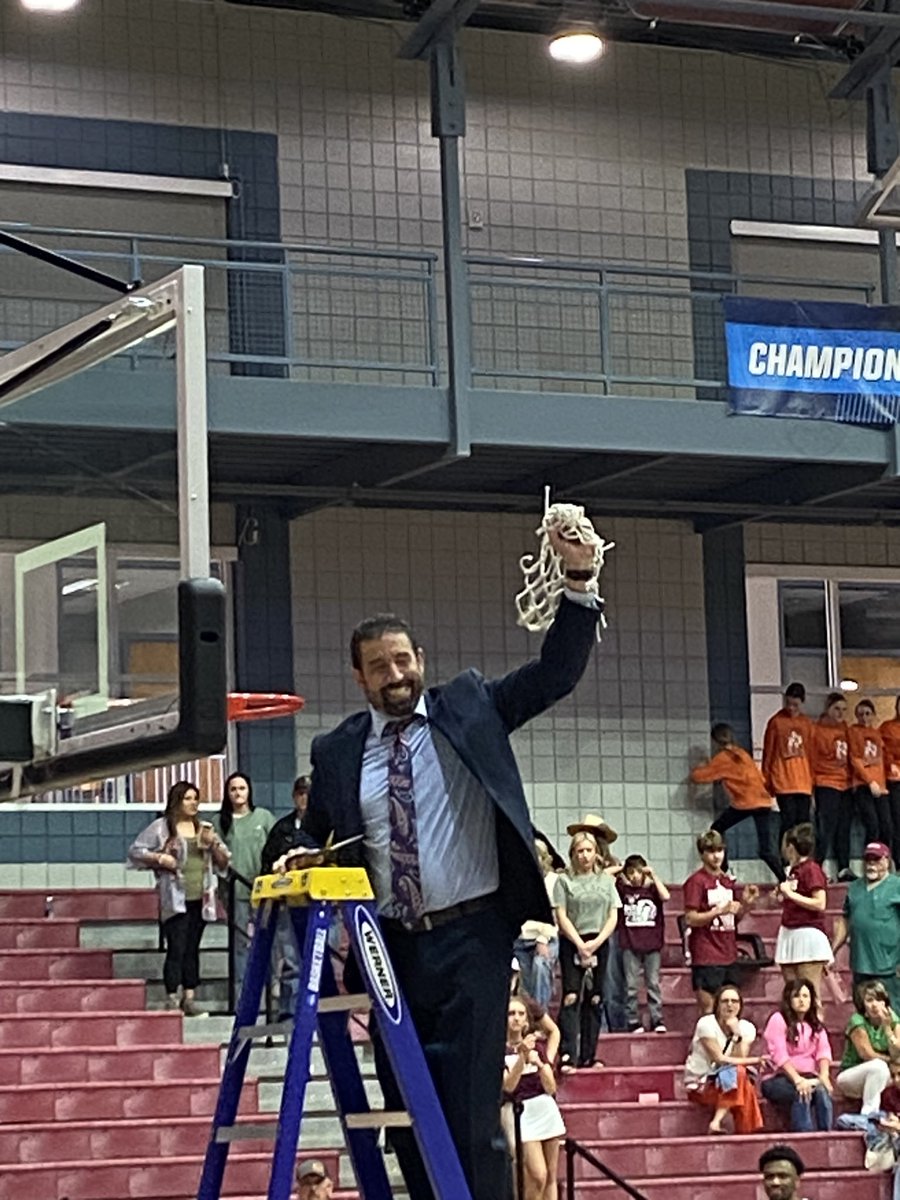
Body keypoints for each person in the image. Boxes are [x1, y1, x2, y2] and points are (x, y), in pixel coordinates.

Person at [279, 525, 601, 1200]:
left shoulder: (471, 703)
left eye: (403, 660)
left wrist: (579, 582)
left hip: (475, 935)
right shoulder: (336, 751)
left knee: (474, 1113)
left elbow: (555, 675)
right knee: (405, 1107)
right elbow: (305, 838)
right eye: (380, 666)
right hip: (389, 946)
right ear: (358, 676)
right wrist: (297, 857)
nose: (396, 675)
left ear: (420, 658)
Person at [128, 780, 231, 1015]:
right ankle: (172, 997)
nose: (193, 803)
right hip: (175, 897)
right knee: (177, 946)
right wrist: (160, 858)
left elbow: (224, 860)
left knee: (193, 947)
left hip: (200, 896)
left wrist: (213, 845)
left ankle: (190, 996)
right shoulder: (162, 827)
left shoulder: (204, 827)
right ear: (177, 801)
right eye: (188, 798)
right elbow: (136, 851)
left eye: (196, 798)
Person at [553, 821, 621, 1072]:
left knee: (595, 998)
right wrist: (581, 944)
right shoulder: (564, 881)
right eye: (579, 851)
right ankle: (568, 1054)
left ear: (597, 854)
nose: (584, 856)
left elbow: (613, 915)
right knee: (571, 997)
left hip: (599, 940)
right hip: (573, 940)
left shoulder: (606, 881)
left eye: (588, 851)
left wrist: (596, 943)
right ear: (573, 854)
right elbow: (561, 914)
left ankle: (589, 1055)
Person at [690, 724, 784, 882]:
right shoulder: (743, 754)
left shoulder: (723, 758)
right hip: (763, 801)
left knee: (717, 829)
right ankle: (785, 880)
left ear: (715, 741)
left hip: (745, 803)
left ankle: (724, 871)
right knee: (766, 849)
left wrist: (699, 766)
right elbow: (760, 778)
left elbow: (700, 777)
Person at [683, 829, 760, 1014]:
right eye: (710, 851)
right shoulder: (696, 881)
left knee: (730, 1011)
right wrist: (717, 911)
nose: (716, 856)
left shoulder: (727, 881)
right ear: (702, 854)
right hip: (706, 954)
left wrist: (746, 904)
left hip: (729, 953)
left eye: (719, 851)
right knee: (709, 1011)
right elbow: (690, 918)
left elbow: (733, 918)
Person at [213, 771, 275, 993]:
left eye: (241, 788)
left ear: (249, 791)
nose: (237, 793)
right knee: (239, 943)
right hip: (235, 891)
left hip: (263, 890)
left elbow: (276, 849)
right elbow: (217, 859)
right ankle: (242, 994)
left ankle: (270, 989)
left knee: (267, 939)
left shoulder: (264, 818)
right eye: (233, 789)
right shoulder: (219, 822)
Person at [502, 996, 565, 1200]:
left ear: (527, 1021)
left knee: (550, 1176)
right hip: (521, 1112)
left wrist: (539, 1063)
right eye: (511, 1014)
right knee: (538, 1174)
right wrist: (521, 1058)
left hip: (545, 1107)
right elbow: (509, 1086)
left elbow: (551, 1087)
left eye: (521, 1014)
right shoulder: (498, 1050)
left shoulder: (537, 1047)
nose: (517, 1019)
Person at [682, 983, 765, 1135]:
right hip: (702, 1083)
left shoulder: (746, 1028)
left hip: (729, 1083)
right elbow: (719, 1059)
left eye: (734, 1001)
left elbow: (739, 1057)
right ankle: (745, 1133)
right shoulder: (705, 1024)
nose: (730, 1005)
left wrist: (737, 1035)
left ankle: (722, 1125)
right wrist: (755, 1061)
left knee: (742, 1082)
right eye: (725, 1001)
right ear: (717, 1004)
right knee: (741, 1078)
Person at [832, 841, 900, 1014]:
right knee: (863, 1012)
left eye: (876, 860)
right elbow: (845, 920)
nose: (871, 864)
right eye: (868, 860)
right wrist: (832, 950)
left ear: (886, 861)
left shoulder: (896, 886)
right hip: (860, 964)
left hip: (889, 966)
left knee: (892, 1014)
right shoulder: (854, 888)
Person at [761, 978, 833, 1131]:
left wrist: (824, 1076)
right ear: (789, 999)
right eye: (797, 996)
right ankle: (804, 1137)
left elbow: (823, 1052)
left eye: (806, 996)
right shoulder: (778, 1019)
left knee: (821, 1091)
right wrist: (797, 1080)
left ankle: (825, 1134)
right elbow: (779, 1054)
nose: (802, 1000)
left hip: (808, 1076)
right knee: (801, 1091)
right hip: (778, 1078)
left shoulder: (815, 1024)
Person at [773, 823, 832, 994]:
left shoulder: (812, 869)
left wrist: (790, 895)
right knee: (792, 995)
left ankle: (813, 1021)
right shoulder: (793, 872)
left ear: (791, 847)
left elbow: (820, 903)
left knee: (810, 995)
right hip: (789, 931)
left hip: (808, 934)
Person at [616, 853, 670, 1033]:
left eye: (638, 872)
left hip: (652, 944)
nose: (634, 876)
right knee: (631, 985)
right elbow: (607, 877)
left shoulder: (652, 889)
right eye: (630, 872)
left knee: (652, 983)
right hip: (630, 944)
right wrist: (620, 869)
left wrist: (653, 875)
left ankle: (657, 1018)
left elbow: (666, 896)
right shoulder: (623, 889)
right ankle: (633, 1019)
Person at [836, 980, 900, 1114]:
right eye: (870, 1000)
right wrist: (892, 1061)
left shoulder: (893, 1019)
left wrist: (887, 1028)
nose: (875, 1005)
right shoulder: (857, 1021)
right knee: (878, 1066)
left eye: (879, 999)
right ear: (863, 1005)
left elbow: (897, 1052)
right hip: (851, 1077)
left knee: (885, 1071)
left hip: (883, 1074)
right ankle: (868, 1115)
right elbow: (867, 1055)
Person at [763, 683, 814, 841]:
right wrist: (767, 780)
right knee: (788, 821)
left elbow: (811, 753)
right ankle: (785, 860)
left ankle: (802, 857)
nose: (791, 708)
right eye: (789, 704)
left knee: (804, 824)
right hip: (783, 781)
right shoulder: (776, 722)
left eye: (795, 705)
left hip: (803, 782)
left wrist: (813, 781)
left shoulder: (806, 723)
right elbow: (768, 753)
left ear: (802, 702)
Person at [513, 840, 560, 1012]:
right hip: (520, 939)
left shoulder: (554, 881)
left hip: (545, 937)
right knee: (524, 982)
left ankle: (541, 1018)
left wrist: (542, 938)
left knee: (540, 967)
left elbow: (555, 916)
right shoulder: (517, 881)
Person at [811, 692, 851, 879]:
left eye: (844, 710)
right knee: (826, 828)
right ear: (827, 709)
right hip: (826, 782)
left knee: (844, 827)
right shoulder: (817, 730)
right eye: (836, 709)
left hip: (846, 784)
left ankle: (844, 868)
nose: (840, 713)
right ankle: (817, 868)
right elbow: (811, 760)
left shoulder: (846, 730)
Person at [847, 699, 888, 877]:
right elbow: (855, 759)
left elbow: (883, 759)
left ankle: (884, 865)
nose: (864, 717)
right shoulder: (853, 732)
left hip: (881, 787)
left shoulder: (877, 734)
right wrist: (869, 780)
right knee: (872, 825)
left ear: (874, 715)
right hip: (863, 785)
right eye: (860, 714)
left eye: (867, 713)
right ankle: (870, 866)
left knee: (887, 827)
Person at [261, 775, 312, 874]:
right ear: (294, 796)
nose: (304, 798)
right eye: (301, 794)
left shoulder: (323, 828)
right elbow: (268, 860)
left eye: (308, 794)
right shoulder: (281, 828)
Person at [880, 696, 900, 869]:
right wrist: (890, 764)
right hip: (894, 780)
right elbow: (882, 751)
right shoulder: (887, 728)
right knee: (896, 822)